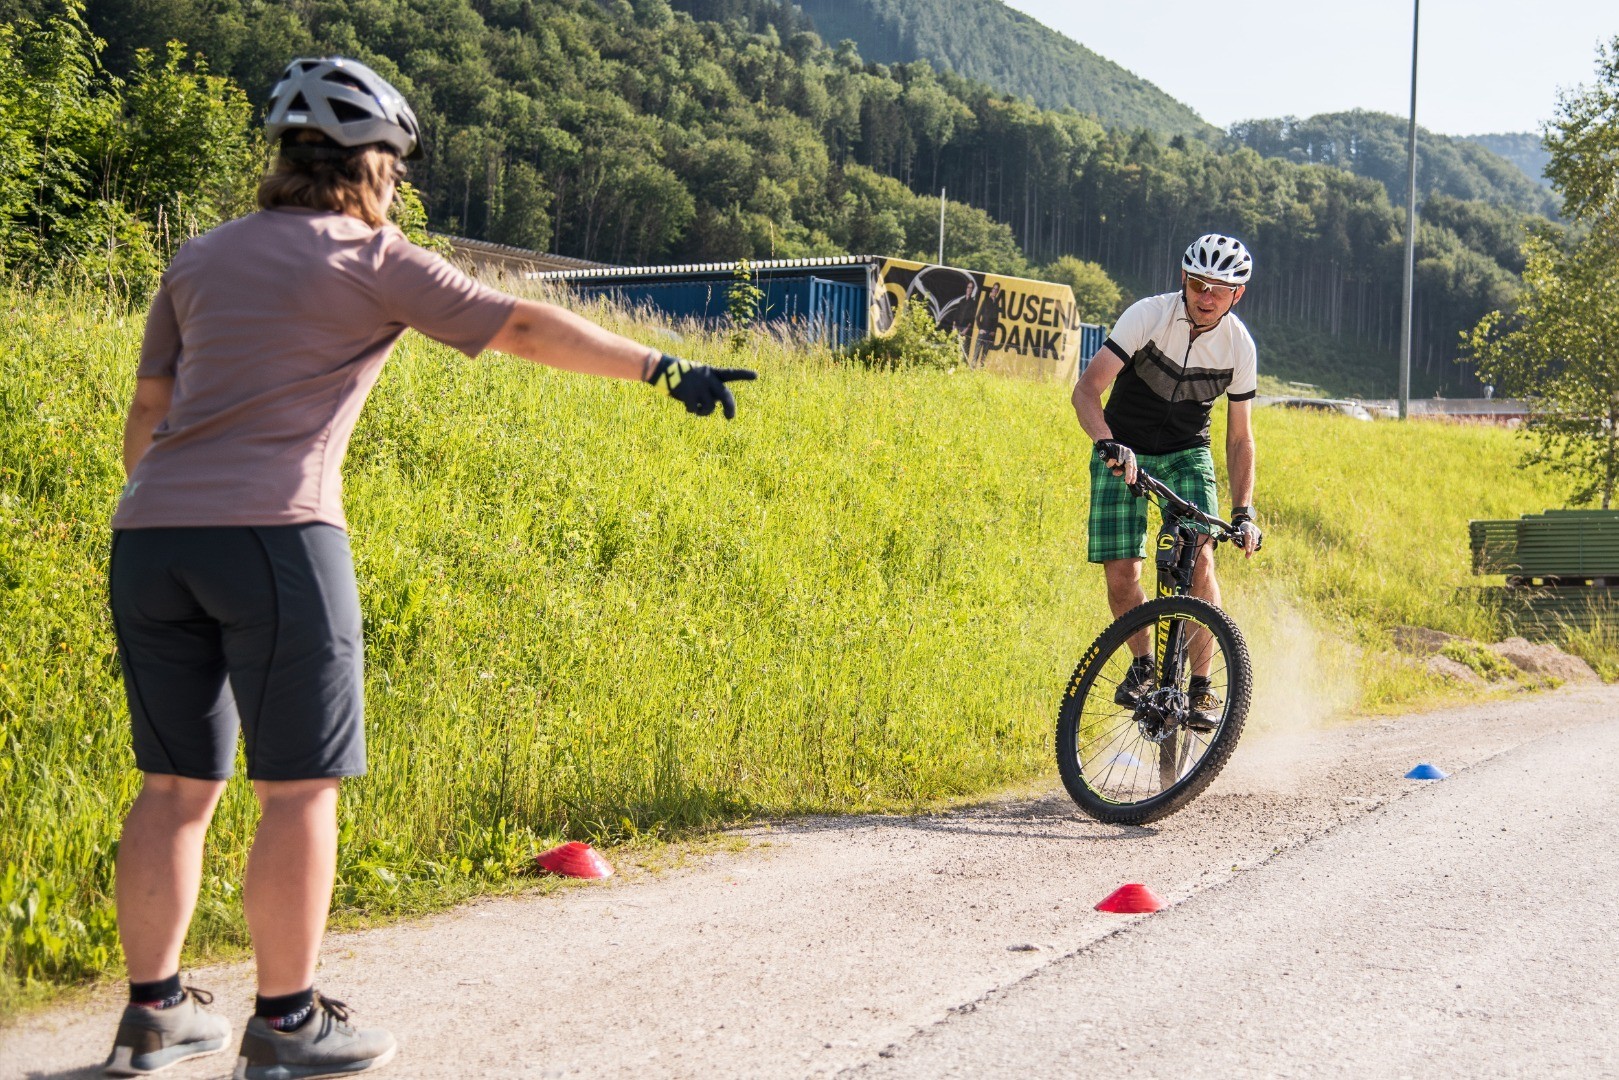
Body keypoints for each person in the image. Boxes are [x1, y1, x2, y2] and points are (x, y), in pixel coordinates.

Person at [101, 56, 755, 1079]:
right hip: (277, 535)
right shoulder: (370, 256)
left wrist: (172, 504)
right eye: (396, 167)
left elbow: (148, 415)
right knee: (296, 790)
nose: (398, 186)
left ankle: (154, 1014)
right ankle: (285, 1021)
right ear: (367, 164)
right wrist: (663, 366)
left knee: (175, 785)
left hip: (149, 540)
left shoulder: (197, 257)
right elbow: (523, 324)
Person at [1070, 233, 1263, 722]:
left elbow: (1239, 439)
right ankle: (1142, 668)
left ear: (1237, 294)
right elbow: (1087, 392)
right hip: (1123, 445)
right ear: (1184, 278)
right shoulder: (1147, 316)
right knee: (1123, 572)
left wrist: (1243, 512)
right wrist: (1107, 443)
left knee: (1200, 562)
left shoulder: (1239, 346)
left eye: (1219, 289)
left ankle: (1200, 686)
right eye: (1198, 284)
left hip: (1185, 452)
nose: (1206, 297)